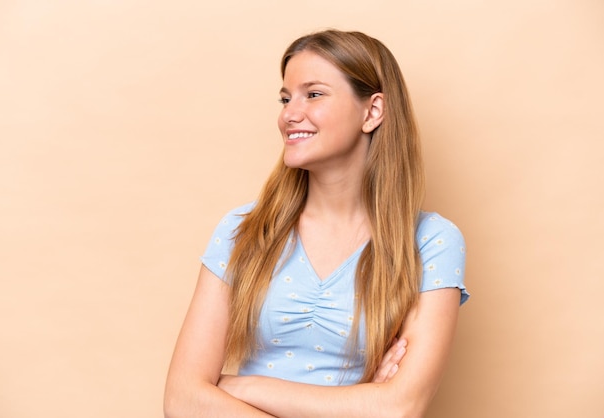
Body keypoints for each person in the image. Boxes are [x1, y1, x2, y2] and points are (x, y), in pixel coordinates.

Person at [164, 29, 469, 418]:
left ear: (372, 111)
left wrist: (237, 386)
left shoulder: (432, 242)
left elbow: (398, 408)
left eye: (313, 94)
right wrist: (356, 405)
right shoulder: (243, 230)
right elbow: (182, 400)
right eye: (285, 98)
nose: (289, 114)